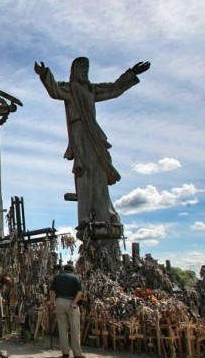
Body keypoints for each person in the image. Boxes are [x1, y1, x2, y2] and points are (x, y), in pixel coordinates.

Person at [34, 58, 150, 239]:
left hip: (94, 134)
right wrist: (45, 74)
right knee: (85, 171)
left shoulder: (91, 89)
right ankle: (88, 215)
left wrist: (131, 74)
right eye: (82, 68)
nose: (85, 71)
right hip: (80, 133)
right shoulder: (70, 89)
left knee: (99, 172)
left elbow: (113, 89)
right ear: (74, 70)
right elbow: (55, 90)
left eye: (87, 68)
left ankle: (104, 210)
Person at [49, 264, 84, 358]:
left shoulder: (57, 277)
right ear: (72, 270)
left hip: (59, 301)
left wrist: (52, 303)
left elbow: (52, 292)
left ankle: (65, 353)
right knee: (75, 329)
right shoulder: (75, 278)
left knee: (62, 328)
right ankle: (77, 354)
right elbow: (80, 292)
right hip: (72, 302)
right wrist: (74, 302)